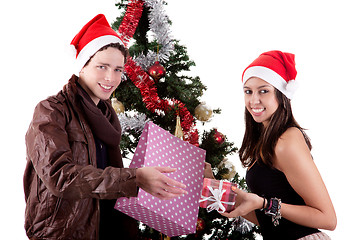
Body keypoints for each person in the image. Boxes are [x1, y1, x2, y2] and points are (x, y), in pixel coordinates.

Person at [23, 14, 189, 240]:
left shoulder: (106, 116)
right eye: (102, 66)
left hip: (106, 229)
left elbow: (102, 175)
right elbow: (61, 177)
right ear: (83, 66)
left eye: (118, 69)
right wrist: (135, 178)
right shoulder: (51, 111)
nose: (111, 77)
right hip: (62, 233)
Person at [221, 51, 337, 239]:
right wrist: (228, 198)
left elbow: (328, 219)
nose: (254, 100)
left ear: (281, 94)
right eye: (248, 91)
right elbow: (272, 219)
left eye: (263, 90)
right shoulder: (264, 142)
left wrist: (265, 203)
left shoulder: (287, 140)